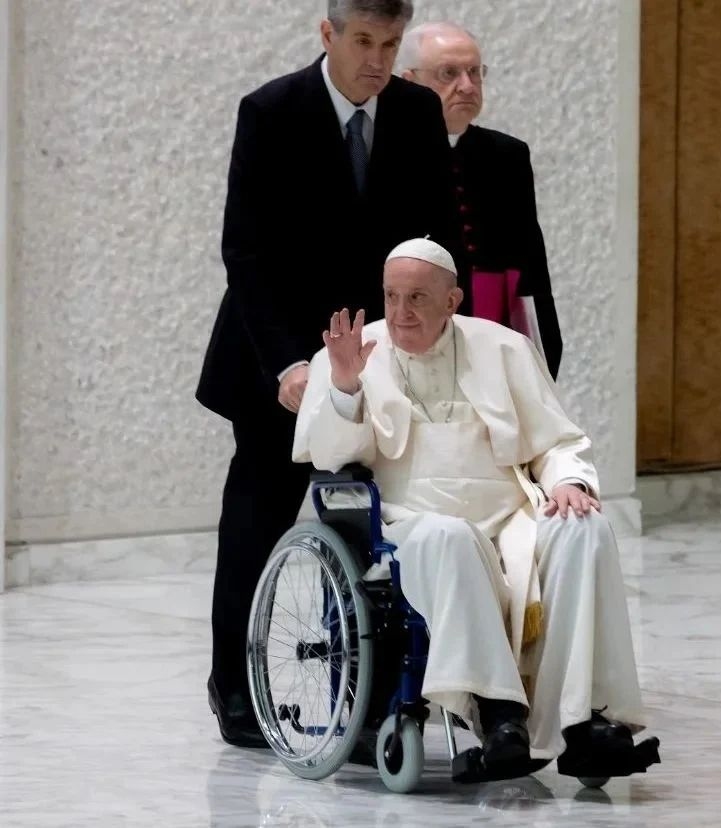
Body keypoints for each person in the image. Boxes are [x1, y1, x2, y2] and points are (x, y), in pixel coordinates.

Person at [293, 238, 660, 779]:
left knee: (585, 528)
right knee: (452, 537)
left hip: (513, 517)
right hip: (410, 522)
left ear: (454, 300)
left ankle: (583, 721)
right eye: (392, 296)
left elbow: (556, 442)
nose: (401, 312)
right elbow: (328, 457)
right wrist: (346, 386)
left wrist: (569, 481)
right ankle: (501, 714)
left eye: (418, 296)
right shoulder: (350, 353)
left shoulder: (504, 347)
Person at [195, 0, 460, 747]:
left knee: (378, 523)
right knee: (255, 519)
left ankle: (372, 686)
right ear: (329, 35)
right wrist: (288, 362)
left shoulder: (414, 113)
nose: (378, 59)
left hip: (382, 354)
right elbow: (244, 252)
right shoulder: (271, 111)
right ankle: (235, 684)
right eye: (365, 41)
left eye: (392, 43)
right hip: (273, 352)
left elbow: (436, 243)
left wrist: (425, 344)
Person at [397, 22, 563, 379]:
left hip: (495, 334)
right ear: (410, 82)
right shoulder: (389, 154)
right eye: (449, 74)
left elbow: (531, 260)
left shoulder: (508, 154)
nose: (467, 86)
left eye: (475, 72)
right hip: (411, 335)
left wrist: (545, 349)